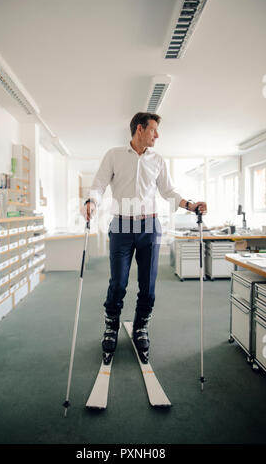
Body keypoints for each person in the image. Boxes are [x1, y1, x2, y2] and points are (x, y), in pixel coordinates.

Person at [83, 112, 207, 364]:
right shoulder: (114, 155)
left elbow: (169, 191)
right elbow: (98, 184)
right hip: (121, 226)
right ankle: (111, 326)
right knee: (118, 284)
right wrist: (91, 201)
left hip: (150, 226)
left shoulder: (158, 160)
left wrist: (191, 206)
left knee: (148, 287)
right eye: (153, 130)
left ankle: (141, 327)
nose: (157, 135)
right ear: (140, 129)